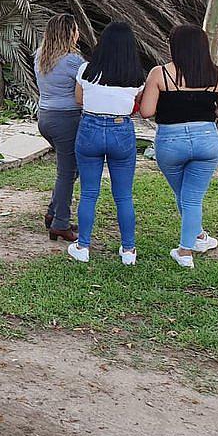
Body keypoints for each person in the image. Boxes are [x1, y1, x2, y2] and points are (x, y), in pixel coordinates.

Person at [139, 24, 218, 269]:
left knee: (186, 196)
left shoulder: (160, 74)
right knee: (190, 196)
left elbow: (147, 111)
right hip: (207, 139)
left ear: (175, 47)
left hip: (171, 142)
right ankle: (200, 237)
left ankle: (185, 252)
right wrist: (205, 110)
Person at [69, 21, 145, 265]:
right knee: (123, 195)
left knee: (89, 192)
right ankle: (129, 250)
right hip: (120, 129)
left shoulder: (86, 70)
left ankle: (82, 246)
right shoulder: (135, 75)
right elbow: (139, 106)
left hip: (89, 128)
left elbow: (79, 100)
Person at [34, 14, 85, 242]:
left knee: (70, 170)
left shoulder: (40, 56)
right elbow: (88, 88)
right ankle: (60, 224)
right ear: (69, 33)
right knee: (67, 172)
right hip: (67, 119)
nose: (78, 33)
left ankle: (53, 212)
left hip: (45, 117)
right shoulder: (74, 62)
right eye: (75, 29)